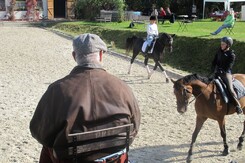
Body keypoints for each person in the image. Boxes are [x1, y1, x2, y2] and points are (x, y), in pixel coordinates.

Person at [29, 33, 141, 162]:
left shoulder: (57, 89)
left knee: (47, 148)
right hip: (114, 159)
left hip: (73, 160)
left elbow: (39, 132)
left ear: (74, 56)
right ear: (100, 55)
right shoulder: (123, 87)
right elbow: (135, 127)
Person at [211, 36, 243, 114]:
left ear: (228, 45)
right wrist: (213, 68)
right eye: (221, 44)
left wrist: (222, 71)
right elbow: (214, 61)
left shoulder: (231, 55)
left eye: (223, 44)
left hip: (226, 74)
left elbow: (229, 66)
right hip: (217, 72)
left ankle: (238, 105)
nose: (221, 45)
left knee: (231, 89)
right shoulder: (219, 51)